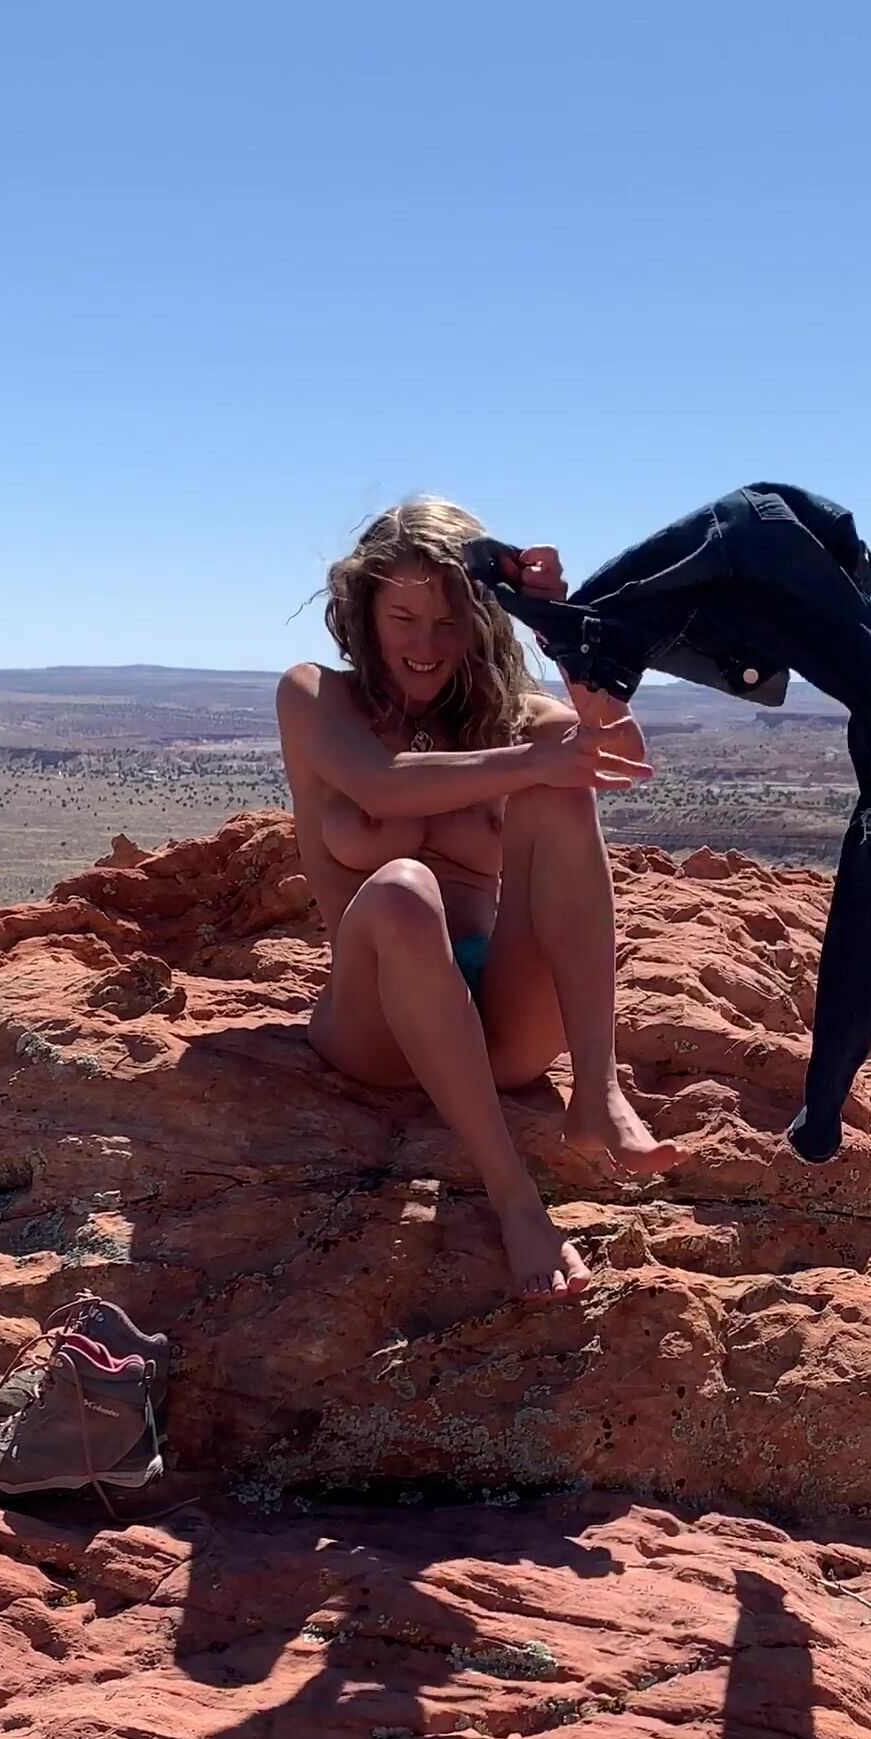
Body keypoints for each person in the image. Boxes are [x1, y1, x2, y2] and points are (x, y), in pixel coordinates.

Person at [276, 497, 679, 1302]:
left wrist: (562, 629)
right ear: (364, 611)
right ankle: (516, 1200)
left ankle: (597, 1091)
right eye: (404, 618)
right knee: (402, 889)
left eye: (449, 620)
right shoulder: (318, 697)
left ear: (483, 619)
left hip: (499, 1024)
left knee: (564, 795)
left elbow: (619, 752)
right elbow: (380, 785)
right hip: (375, 1027)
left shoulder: (509, 719)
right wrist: (533, 763)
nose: (425, 645)